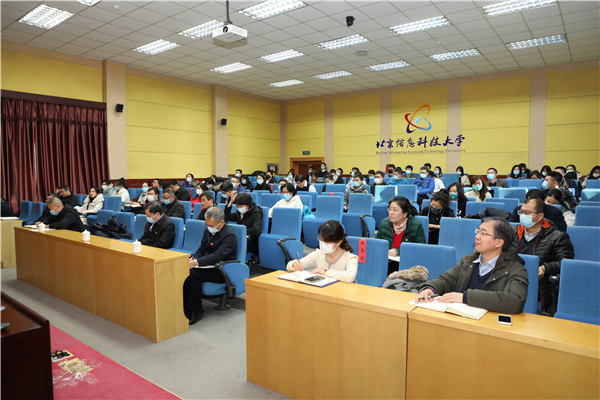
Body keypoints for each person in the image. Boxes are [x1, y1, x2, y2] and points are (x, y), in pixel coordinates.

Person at [416, 217, 528, 314]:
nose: (477, 236)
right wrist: (430, 288)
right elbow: (446, 280)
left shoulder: (515, 269)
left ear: (498, 242)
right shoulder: (467, 262)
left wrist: (465, 297)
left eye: (483, 233)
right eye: (478, 231)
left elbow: (515, 300)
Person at [509, 198, 574, 313]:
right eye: (521, 212)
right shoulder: (512, 232)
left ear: (539, 216)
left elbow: (565, 263)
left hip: (537, 286)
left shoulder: (557, 237)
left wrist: (545, 268)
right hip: (509, 281)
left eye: (527, 212)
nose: (522, 215)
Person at [183, 207, 238, 324]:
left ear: (221, 222)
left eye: (211, 225)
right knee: (184, 271)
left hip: (222, 269)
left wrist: (196, 262)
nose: (208, 227)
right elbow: (201, 249)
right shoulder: (208, 231)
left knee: (192, 274)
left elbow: (218, 256)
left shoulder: (229, 236)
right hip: (207, 266)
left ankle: (195, 309)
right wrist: (195, 258)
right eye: (207, 224)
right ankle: (184, 306)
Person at [287, 220, 358, 283]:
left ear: (339, 242)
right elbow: (289, 266)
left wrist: (325, 272)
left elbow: (350, 277)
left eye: (327, 242)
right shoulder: (319, 254)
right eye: (321, 240)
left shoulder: (350, 258)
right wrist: (294, 265)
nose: (323, 244)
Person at [374, 196, 426, 275]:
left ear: (405, 214)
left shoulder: (416, 225)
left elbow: (421, 246)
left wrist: (398, 251)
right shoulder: (385, 223)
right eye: (390, 209)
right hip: (386, 262)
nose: (391, 213)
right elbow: (377, 242)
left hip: (407, 265)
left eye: (395, 210)